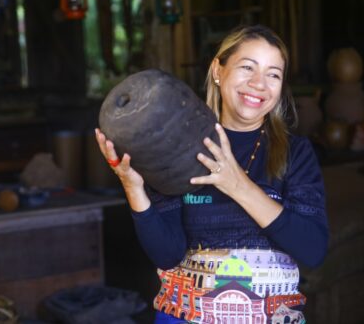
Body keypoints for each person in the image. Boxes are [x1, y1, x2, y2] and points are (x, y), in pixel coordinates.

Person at [95, 24, 328, 323]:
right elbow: (167, 255)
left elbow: (313, 250)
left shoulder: (295, 153)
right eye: (247, 67)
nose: (259, 83)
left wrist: (239, 186)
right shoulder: (176, 145)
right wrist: (133, 188)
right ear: (218, 71)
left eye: (273, 74)